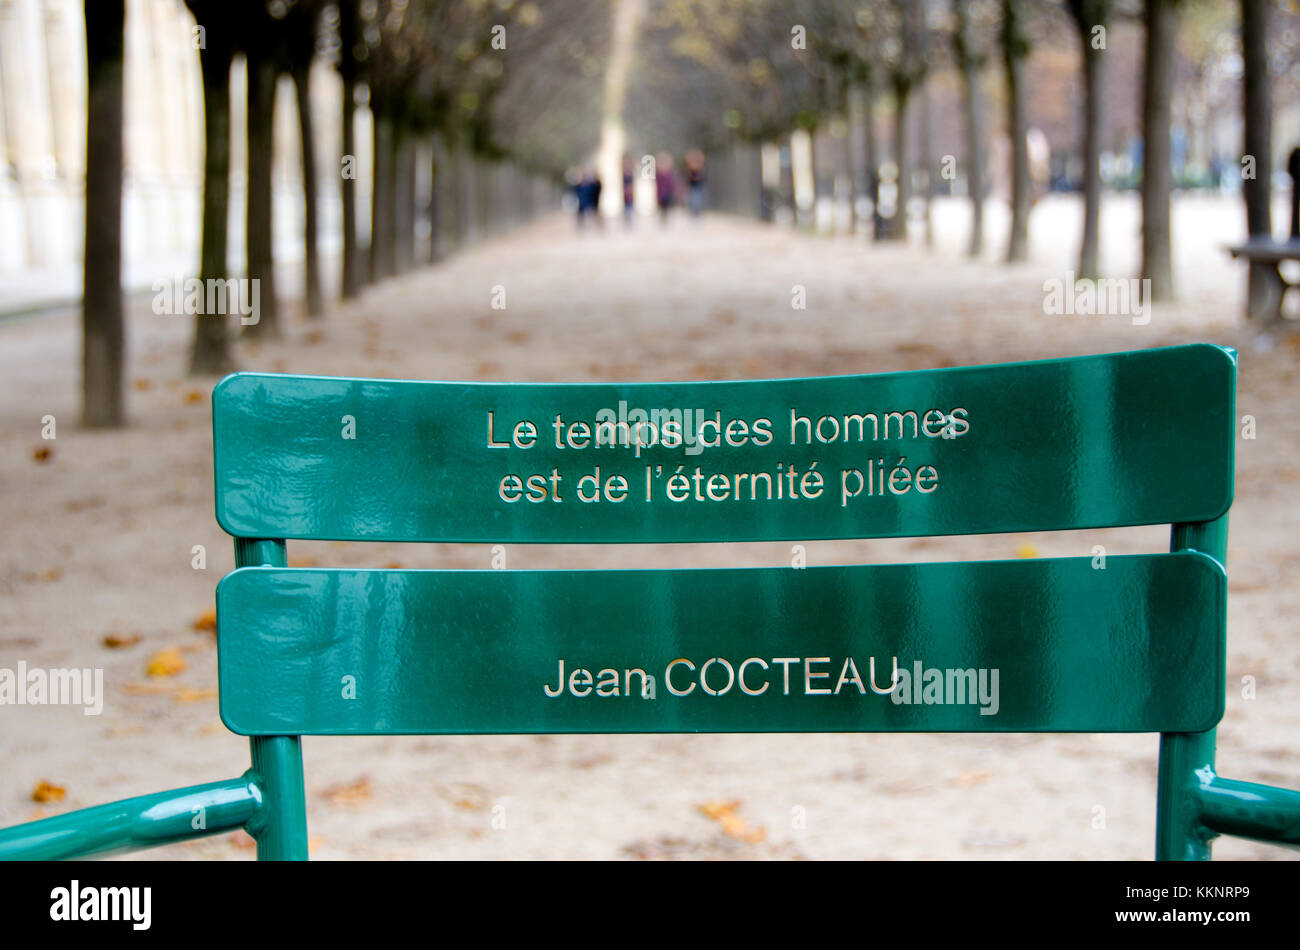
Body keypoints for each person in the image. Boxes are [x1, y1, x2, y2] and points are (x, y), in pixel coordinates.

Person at [655, 152, 677, 225]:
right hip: (660, 194)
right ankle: (662, 219)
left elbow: (671, 184)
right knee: (662, 208)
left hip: (667, 194)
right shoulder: (658, 175)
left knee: (667, 207)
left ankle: (666, 219)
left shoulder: (669, 175)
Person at [684, 148, 707, 219]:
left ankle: (696, 214)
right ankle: (693, 213)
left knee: (697, 200)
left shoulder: (701, 168)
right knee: (692, 200)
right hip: (692, 186)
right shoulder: (690, 169)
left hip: (698, 186)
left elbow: (702, 176)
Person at [622, 155, 636, 226]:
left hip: (630, 194)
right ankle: (627, 222)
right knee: (627, 208)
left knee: (630, 208)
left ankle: (630, 222)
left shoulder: (631, 174)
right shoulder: (624, 174)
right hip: (626, 194)